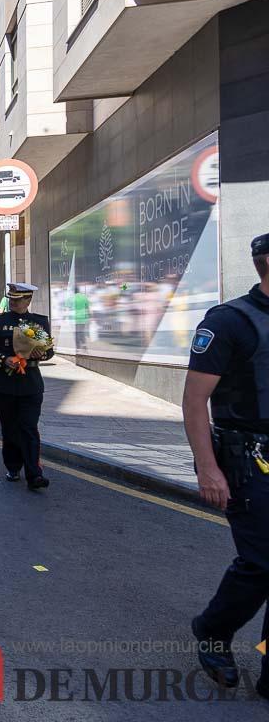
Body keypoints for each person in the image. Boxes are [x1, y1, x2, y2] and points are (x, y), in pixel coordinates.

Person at [185, 233, 269, 697]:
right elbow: (194, 400)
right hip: (248, 459)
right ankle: (213, 629)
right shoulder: (228, 322)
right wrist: (207, 467)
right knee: (261, 563)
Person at [0, 283, 54, 489]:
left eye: (18, 299)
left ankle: (34, 474)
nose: (13, 302)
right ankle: (13, 466)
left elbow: (49, 351)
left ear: (28, 300)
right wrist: (4, 359)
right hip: (4, 382)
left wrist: (42, 354)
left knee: (29, 427)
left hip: (30, 382)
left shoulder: (39, 322)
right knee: (10, 427)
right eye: (11, 298)